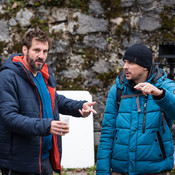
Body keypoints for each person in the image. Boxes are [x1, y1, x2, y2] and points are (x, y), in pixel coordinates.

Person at [0, 29, 97, 175]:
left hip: (44, 160)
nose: (41, 56)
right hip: (19, 163)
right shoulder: (7, 76)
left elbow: (53, 99)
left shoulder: (43, 73)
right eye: (36, 50)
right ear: (24, 50)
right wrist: (47, 125)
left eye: (45, 51)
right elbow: (9, 117)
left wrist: (79, 106)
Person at [96, 44, 175, 175]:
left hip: (156, 170)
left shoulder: (165, 86)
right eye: (125, 62)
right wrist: (102, 172)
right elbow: (107, 134)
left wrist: (160, 95)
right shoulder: (117, 90)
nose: (125, 67)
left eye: (131, 62)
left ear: (145, 66)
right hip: (121, 170)